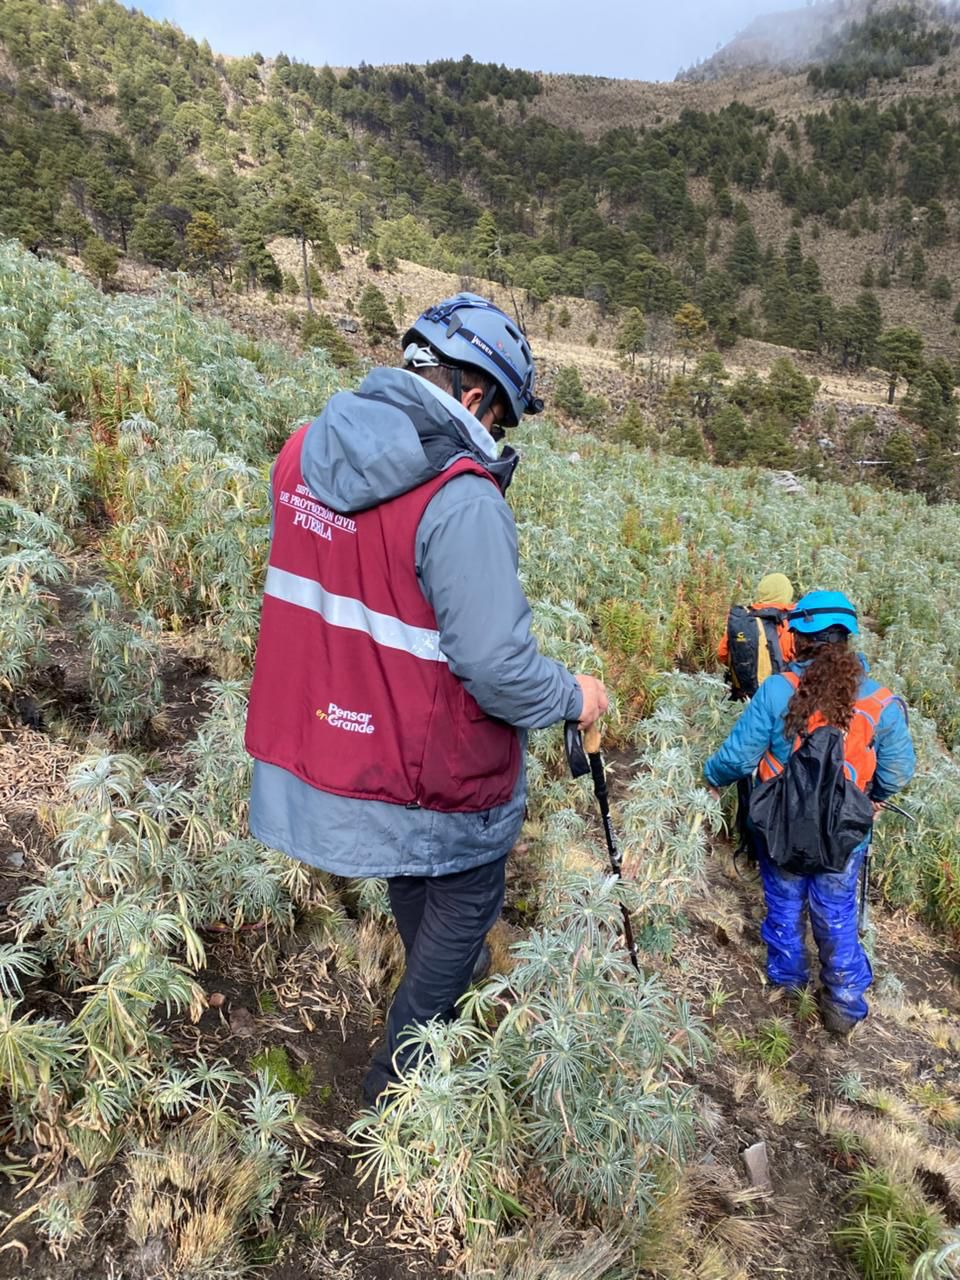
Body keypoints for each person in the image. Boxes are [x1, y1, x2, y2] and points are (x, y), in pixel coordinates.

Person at [244, 292, 608, 1103]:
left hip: (324, 746)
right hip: (424, 773)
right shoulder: (462, 496)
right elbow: (497, 669)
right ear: (475, 396)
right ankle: (395, 1094)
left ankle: (446, 986)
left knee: (421, 877)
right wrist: (574, 696)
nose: (498, 437)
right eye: (503, 419)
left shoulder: (301, 451)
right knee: (467, 892)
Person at [704, 591, 915, 1035]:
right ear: (848, 639)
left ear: (796, 637)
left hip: (778, 826)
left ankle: (789, 987)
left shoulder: (778, 690)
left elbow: (738, 758)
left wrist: (709, 779)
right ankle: (843, 1000)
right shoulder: (879, 702)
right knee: (836, 910)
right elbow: (898, 769)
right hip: (844, 833)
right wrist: (872, 800)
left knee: (783, 903)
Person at [718, 572, 797, 858]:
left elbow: (722, 654)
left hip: (744, 702)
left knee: (746, 771)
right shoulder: (788, 625)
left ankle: (746, 839)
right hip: (779, 708)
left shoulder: (743, 620)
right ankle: (769, 845)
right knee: (775, 774)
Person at [717, 571, 797, 695]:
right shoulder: (790, 623)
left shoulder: (743, 620)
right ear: (787, 592)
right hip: (781, 694)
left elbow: (722, 654)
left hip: (746, 693)